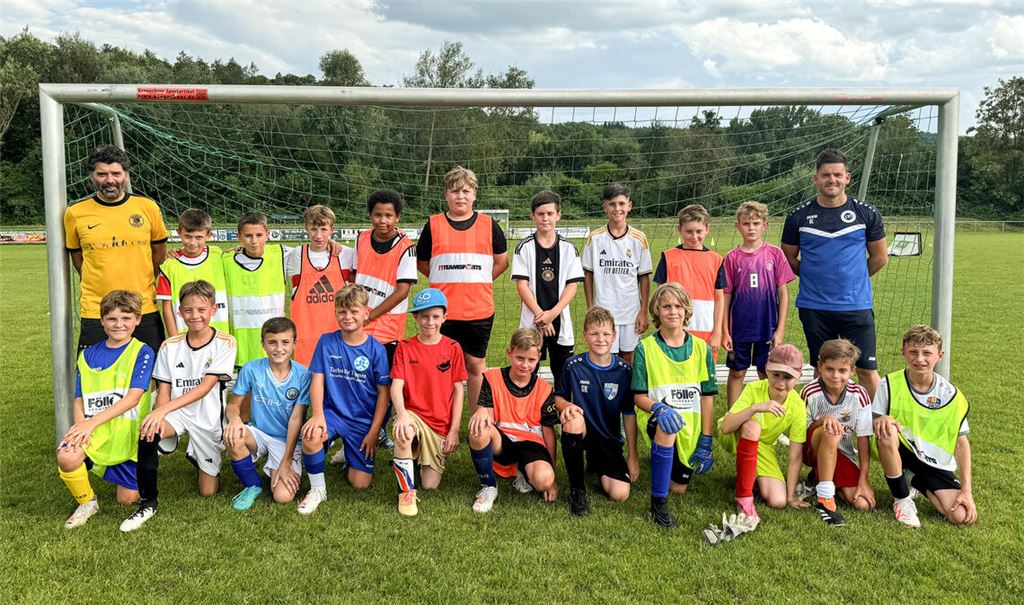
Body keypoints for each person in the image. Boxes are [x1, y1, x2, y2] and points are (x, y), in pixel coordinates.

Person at [120, 280, 237, 532]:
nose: (195, 316)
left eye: (201, 310)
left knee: (208, 492)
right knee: (148, 432)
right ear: (179, 311)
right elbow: (164, 389)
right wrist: (158, 416)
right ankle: (148, 501)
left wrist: (162, 410)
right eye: (188, 310)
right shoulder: (169, 346)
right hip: (176, 413)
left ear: (213, 310)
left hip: (207, 420)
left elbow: (205, 387)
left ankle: (197, 454)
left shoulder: (225, 342)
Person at [781, 148, 888, 398]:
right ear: (815, 179)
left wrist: (854, 279)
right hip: (815, 306)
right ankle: (820, 425)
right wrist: (811, 275)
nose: (832, 180)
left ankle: (880, 425)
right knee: (823, 369)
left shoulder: (866, 213)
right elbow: (787, 257)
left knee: (866, 369)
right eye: (826, 175)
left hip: (855, 305)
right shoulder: (799, 216)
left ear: (847, 178)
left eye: (838, 175)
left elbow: (880, 257)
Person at [57, 290, 155, 528]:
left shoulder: (142, 352)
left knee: (126, 500)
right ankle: (88, 503)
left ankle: (124, 470)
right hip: (96, 430)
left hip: (126, 435)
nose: (118, 324)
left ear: (137, 320)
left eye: (126, 318)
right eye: (111, 318)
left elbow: (133, 398)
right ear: (102, 321)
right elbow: (79, 396)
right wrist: (82, 426)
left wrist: (90, 423)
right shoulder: (87, 354)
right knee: (66, 456)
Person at [416, 166, 509, 411]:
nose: (461, 196)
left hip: (479, 311)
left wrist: (477, 280)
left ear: (474, 194)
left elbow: (502, 261)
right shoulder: (433, 225)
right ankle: (441, 419)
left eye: (466, 191)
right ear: (446, 194)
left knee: (475, 365)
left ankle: (478, 418)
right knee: (441, 365)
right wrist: (445, 281)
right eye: (455, 191)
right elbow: (423, 263)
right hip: (441, 312)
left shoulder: (489, 225)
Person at [296, 284, 391, 515]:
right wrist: (318, 416)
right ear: (336, 313)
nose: (347, 317)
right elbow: (317, 381)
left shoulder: (376, 350)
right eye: (342, 312)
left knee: (360, 483)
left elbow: (384, 395)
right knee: (311, 435)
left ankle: (351, 452)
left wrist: (373, 431)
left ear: (366, 313)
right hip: (333, 415)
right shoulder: (327, 342)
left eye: (354, 311)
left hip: (363, 421)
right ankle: (318, 490)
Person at [64, 145, 169, 352]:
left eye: (116, 173)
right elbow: (78, 257)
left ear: (126, 176)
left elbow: (158, 252)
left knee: (154, 375)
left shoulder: (147, 208)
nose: (109, 180)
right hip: (97, 309)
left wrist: (143, 277)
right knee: (94, 374)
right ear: (92, 177)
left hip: (143, 305)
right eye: (102, 174)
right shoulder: (75, 213)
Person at [872, 325, 976, 527]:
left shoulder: (952, 395)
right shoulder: (889, 383)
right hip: (899, 449)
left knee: (960, 516)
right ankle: (902, 500)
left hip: (932, 460)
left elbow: (961, 444)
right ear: (904, 353)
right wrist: (881, 420)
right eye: (913, 352)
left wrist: (966, 491)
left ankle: (913, 478)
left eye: (927, 353)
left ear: (940, 355)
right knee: (887, 430)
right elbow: (873, 425)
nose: (920, 359)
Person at [632, 283, 717, 528]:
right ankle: (658, 504)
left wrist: (707, 439)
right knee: (667, 428)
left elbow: (707, 397)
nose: (673, 311)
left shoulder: (701, 348)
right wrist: (659, 408)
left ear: (686, 310)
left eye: (678, 306)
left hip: (689, 425)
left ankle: (667, 464)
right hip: (656, 415)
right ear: (656, 311)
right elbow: (638, 396)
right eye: (666, 306)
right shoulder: (645, 348)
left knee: (679, 487)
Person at [389, 288, 467, 516]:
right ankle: (405, 493)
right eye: (424, 316)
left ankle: (412, 458)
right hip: (413, 414)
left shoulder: (453, 348)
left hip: (439, 425)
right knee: (403, 431)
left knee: (431, 484)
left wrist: (453, 431)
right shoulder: (405, 346)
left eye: (435, 316)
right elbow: (396, 386)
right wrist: (401, 414)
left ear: (444, 317)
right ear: (416, 317)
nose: (429, 322)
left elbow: (458, 391)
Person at [554, 307, 638, 517]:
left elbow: (629, 413)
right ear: (585, 336)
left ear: (614, 336)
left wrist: (633, 456)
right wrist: (567, 406)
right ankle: (577, 490)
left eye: (606, 334)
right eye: (594, 334)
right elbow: (558, 397)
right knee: (572, 420)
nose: (600, 339)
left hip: (609, 439)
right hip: (583, 432)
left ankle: (598, 463)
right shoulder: (573, 365)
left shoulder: (624, 370)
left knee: (620, 494)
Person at [467, 328, 559, 513]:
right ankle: (488, 487)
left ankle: (523, 471)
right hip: (504, 442)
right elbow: (488, 417)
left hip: (532, 445)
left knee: (544, 481)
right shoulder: (492, 378)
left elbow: (549, 432)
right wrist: (481, 412)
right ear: (509, 352)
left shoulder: (544, 389)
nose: (525, 365)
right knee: (479, 428)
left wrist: (553, 476)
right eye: (520, 358)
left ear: (539, 357)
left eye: (531, 360)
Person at [223, 317, 311, 510]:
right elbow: (233, 405)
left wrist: (286, 462)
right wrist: (235, 420)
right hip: (259, 433)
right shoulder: (251, 369)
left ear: (295, 344)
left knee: (282, 497)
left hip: (286, 441)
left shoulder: (304, 375)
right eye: (272, 342)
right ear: (263, 344)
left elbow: (297, 418)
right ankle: (252, 485)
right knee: (232, 434)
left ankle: (286, 466)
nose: (279, 348)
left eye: (285, 342)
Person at [719, 344, 810, 523]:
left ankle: (750, 476)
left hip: (763, 446)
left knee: (778, 501)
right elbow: (726, 427)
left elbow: (795, 454)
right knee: (752, 427)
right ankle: (744, 498)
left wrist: (791, 496)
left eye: (788, 377)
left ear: (799, 376)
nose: (781, 382)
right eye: (776, 374)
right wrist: (756, 408)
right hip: (734, 434)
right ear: (767, 369)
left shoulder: (798, 405)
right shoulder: (754, 389)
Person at [721, 201, 795, 405]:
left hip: (767, 327)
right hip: (740, 328)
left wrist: (780, 330)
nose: (751, 228)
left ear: (765, 225)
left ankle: (772, 417)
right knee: (737, 373)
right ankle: (732, 418)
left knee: (768, 373)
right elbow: (725, 296)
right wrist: (725, 331)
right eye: (746, 223)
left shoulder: (775, 254)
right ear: (737, 226)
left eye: (755, 223)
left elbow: (784, 293)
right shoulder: (731, 257)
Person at [511, 190, 584, 386]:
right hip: (531, 320)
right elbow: (522, 286)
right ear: (532, 215)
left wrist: (553, 313)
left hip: (561, 322)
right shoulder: (524, 247)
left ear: (558, 215)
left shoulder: (569, 249)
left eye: (550, 214)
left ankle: (561, 412)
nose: (545, 218)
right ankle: (528, 411)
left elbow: (572, 286)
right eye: (541, 214)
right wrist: (541, 317)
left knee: (562, 373)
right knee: (528, 368)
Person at [800, 339, 876, 526]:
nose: (835, 376)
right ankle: (825, 500)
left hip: (843, 454)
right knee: (832, 430)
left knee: (863, 504)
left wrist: (863, 479)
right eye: (829, 369)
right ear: (820, 366)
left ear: (852, 371)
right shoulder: (809, 392)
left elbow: (863, 438)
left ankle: (821, 477)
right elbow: (801, 434)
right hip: (813, 450)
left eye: (842, 371)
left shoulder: (859, 394)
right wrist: (823, 421)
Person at [582, 183, 652, 366]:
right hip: (603, 309)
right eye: (612, 204)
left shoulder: (639, 238)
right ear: (605, 207)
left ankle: (627, 395)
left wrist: (643, 311)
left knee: (628, 358)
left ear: (629, 206)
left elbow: (644, 278)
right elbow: (587, 275)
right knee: (605, 357)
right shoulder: (595, 238)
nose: (617, 208)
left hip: (630, 311)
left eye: (622, 203)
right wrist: (591, 307)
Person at [285, 204, 355, 367]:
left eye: (323, 229)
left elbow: (373, 252)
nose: (318, 235)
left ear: (332, 229)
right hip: (306, 342)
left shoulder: (345, 254)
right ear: (306, 228)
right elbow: (262, 254)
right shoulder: (295, 256)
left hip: (339, 337)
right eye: (313, 229)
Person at [653, 204, 726, 358]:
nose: (694, 236)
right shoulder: (668, 257)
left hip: (706, 329)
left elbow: (720, 300)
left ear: (707, 229)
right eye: (689, 232)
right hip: (673, 328)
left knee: (703, 375)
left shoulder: (716, 260)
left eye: (699, 231)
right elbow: (659, 297)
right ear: (679, 230)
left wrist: (718, 331)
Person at [355, 189, 418, 365]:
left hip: (387, 327)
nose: (382, 220)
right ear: (370, 216)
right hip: (359, 320)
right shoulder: (361, 238)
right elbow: (353, 274)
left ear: (397, 217)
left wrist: (370, 316)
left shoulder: (406, 247)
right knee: (359, 376)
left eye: (388, 216)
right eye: (377, 215)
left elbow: (402, 291)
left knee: (383, 381)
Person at [223, 212, 287, 369]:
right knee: (246, 391)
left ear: (268, 235)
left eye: (259, 235)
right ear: (239, 237)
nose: (254, 241)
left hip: (274, 341)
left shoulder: (281, 255)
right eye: (248, 236)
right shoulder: (226, 260)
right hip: (243, 344)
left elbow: (312, 251)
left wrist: (332, 242)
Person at [156, 208, 229, 336]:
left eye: (199, 237)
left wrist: (238, 248)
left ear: (209, 235)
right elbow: (166, 308)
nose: (192, 243)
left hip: (219, 335)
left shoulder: (217, 255)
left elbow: (235, 255)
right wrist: (174, 339)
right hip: (185, 336)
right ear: (179, 233)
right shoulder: (169, 266)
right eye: (187, 237)